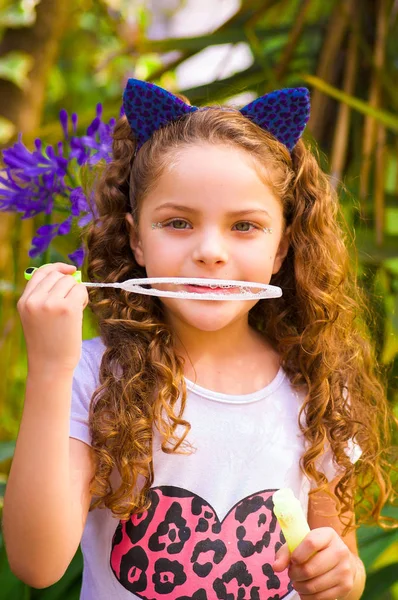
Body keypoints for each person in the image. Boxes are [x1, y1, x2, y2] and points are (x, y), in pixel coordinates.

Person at [3, 79, 397, 600]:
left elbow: (337, 555)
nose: (210, 251)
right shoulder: (92, 377)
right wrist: (51, 369)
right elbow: (37, 564)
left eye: (245, 227)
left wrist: (343, 578)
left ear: (282, 250)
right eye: (179, 222)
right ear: (137, 238)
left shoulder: (317, 384)